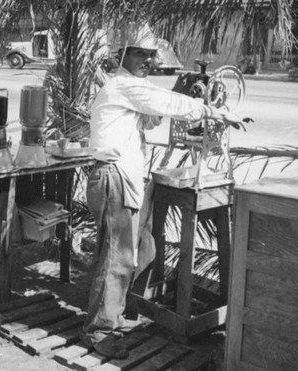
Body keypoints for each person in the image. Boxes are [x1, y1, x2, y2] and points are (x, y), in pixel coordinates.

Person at [83, 26, 247, 359]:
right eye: (139, 54)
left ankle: (111, 313)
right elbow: (164, 103)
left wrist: (183, 91)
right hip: (113, 177)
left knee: (132, 253)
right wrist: (207, 109)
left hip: (121, 177)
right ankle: (101, 330)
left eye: (150, 55)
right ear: (123, 55)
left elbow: (154, 118)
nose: (147, 61)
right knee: (117, 258)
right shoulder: (122, 85)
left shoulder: (133, 89)